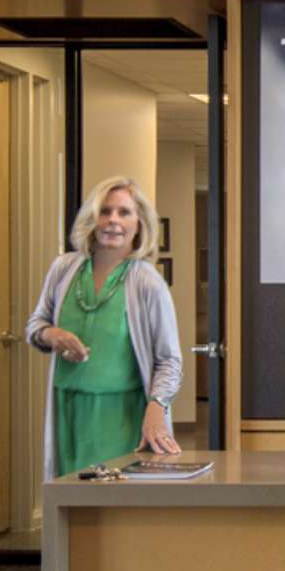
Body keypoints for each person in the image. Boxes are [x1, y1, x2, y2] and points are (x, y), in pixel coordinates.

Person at [27, 176, 184, 475]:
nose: (113, 220)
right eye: (105, 211)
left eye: (124, 213)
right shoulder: (63, 268)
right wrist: (53, 334)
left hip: (122, 415)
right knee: (69, 506)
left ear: (140, 223)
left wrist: (157, 408)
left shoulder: (147, 282)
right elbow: (36, 324)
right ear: (92, 218)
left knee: (115, 510)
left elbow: (170, 361)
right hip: (67, 409)